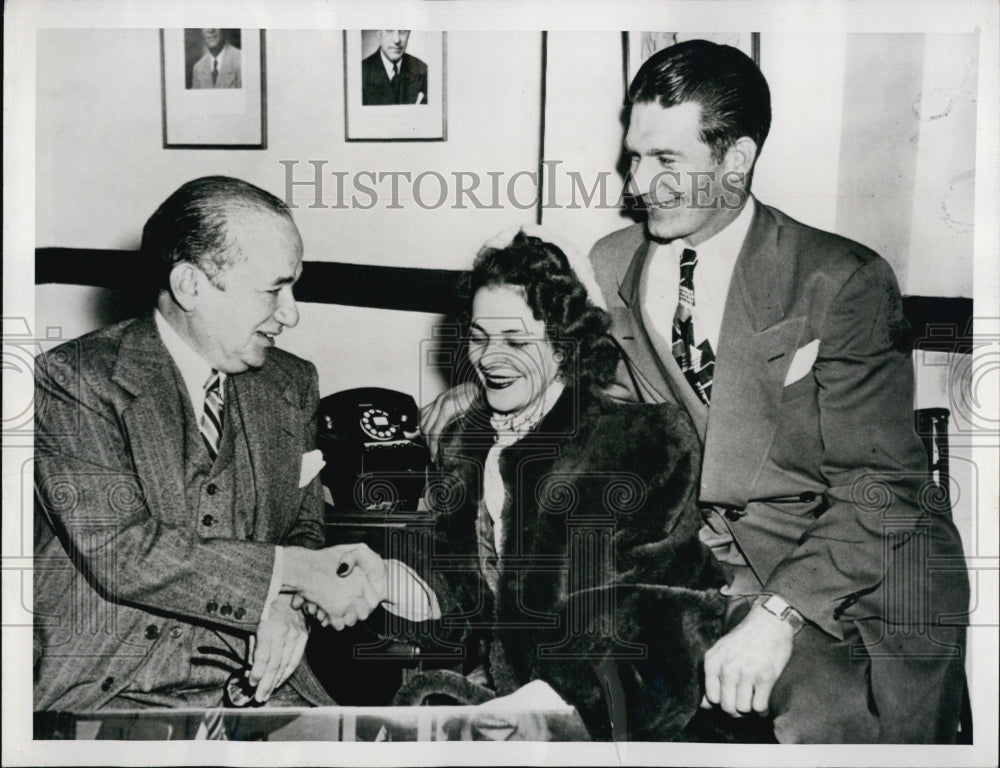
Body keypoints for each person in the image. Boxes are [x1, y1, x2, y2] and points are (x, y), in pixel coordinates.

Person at [423, 42, 970, 743]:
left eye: (666, 161)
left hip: (858, 583)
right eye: (634, 157)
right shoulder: (614, 263)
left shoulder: (841, 280)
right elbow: (588, 389)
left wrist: (778, 615)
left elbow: (883, 487)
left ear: (736, 160)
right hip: (708, 565)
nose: (639, 182)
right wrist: (476, 398)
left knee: (820, 728)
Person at [33, 176, 386, 712]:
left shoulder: (290, 383)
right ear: (190, 285)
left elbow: (303, 526)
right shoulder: (73, 380)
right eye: (273, 289)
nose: (291, 313)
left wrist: (288, 603)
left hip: (260, 684)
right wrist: (290, 573)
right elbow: (120, 552)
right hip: (107, 686)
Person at [400, 230, 725, 741]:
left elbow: (663, 630)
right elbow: (464, 603)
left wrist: (549, 701)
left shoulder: (647, 443)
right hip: (502, 710)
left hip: (625, 722)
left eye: (516, 342)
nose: (489, 359)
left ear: (565, 341)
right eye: (480, 337)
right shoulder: (466, 445)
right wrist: (391, 583)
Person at [361, 29, 428, 106]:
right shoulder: (361, 73)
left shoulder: (423, 71)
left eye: (403, 31)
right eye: (389, 30)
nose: (397, 40)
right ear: (379, 33)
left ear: (409, 34)